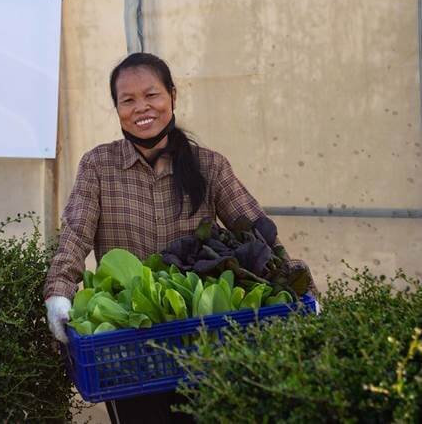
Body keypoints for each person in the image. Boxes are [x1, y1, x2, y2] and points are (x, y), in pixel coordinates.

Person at [43, 53, 307, 423]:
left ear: (172, 96)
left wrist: (297, 285)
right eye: (128, 100)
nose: (141, 108)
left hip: (200, 336)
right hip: (130, 340)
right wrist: (58, 290)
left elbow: (257, 232)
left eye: (151, 95)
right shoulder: (98, 166)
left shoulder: (210, 166)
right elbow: (75, 233)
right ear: (116, 108)